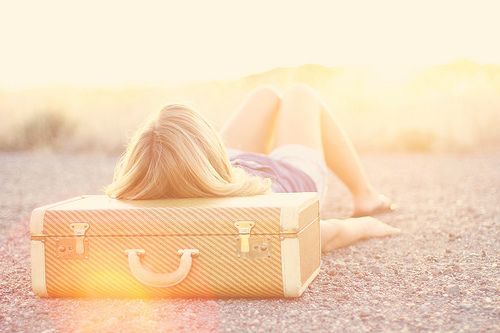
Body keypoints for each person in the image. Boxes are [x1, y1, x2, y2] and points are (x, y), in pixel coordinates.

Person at [105, 84, 400, 253]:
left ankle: (208, 159)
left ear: (135, 163)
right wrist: (366, 226)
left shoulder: (139, 188)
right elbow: (328, 234)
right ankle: (365, 195)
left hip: (219, 170)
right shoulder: (261, 212)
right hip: (287, 174)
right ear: (208, 149)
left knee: (266, 95)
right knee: (302, 95)